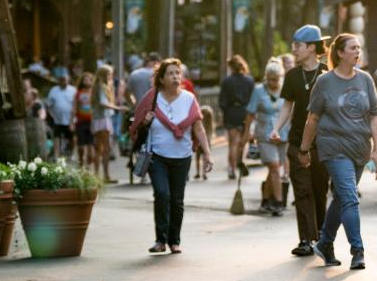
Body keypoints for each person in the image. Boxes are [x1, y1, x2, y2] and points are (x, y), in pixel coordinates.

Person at [298, 33, 377, 270]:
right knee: (350, 199)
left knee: (343, 197)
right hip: (334, 148)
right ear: (340, 53)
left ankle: (325, 242)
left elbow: (375, 116)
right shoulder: (325, 82)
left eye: (359, 48)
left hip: (359, 149)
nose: (358, 52)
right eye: (353, 48)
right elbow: (313, 118)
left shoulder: (365, 80)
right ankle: (358, 251)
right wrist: (304, 149)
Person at [132, 57, 213, 253]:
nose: (175, 76)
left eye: (178, 73)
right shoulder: (152, 98)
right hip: (157, 155)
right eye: (170, 73)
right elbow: (136, 123)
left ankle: (174, 240)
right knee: (161, 194)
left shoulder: (188, 99)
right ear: (161, 79)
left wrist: (208, 155)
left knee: (177, 200)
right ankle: (160, 240)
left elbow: (199, 129)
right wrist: (145, 121)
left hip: (182, 157)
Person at [271, 24, 329, 257]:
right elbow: (287, 106)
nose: (294, 49)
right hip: (297, 142)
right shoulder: (293, 76)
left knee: (319, 190)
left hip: (323, 143)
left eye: (298, 45)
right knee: (302, 190)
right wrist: (276, 128)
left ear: (311, 47)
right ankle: (305, 239)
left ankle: (323, 237)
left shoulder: (327, 73)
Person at [245, 60, 289, 216]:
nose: (273, 82)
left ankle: (265, 200)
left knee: (274, 168)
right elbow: (250, 113)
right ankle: (278, 202)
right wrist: (246, 136)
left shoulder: (285, 89)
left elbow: (291, 109)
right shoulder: (258, 91)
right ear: (266, 77)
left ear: (281, 77)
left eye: (276, 79)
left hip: (283, 133)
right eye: (270, 79)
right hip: (264, 134)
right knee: (275, 166)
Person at [219, 55, 255, 178]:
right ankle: (241, 162)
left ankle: (232, 169)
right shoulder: (249, 81)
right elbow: (253, 100)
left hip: (231, 112)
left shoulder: (227, 81)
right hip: (245, 113)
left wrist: (225, 111)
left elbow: (222, 101)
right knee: (242, 142)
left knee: (233, 143)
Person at [92, 64, 125, 183]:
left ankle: (97, 175)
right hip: (103, 119)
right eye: (109, 74)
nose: (111, 76)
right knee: (105, 149)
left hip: (98, 119)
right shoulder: (102, 86)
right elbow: (102, 103)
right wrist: (118, 108)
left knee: (99, 149)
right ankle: (105, 176)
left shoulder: (98, 86)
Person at [44, 72, 77, 160]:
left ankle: (71, 154)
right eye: (61, 80)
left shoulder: (73, 90)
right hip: (57, 119)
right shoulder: (54, 90)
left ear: (68, 80)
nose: (63, 81)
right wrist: (50, 115)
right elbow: (48, 104)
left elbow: (76, 104)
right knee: (56, 137)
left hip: (71, 119)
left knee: (72, 137)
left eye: (65, 79)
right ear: (59, 81)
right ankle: (56, 155)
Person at [74, 71, 95, 169]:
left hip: (92, 122)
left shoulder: (94, 93)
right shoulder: (78, 93)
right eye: (84, 80)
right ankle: (81, 162)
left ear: (91, 81)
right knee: (81, 146)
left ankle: (88, 166)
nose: (86, 81)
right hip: (80, 122)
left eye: (88, 79)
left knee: (91, 147)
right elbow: (75, 107)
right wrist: (72, 121)